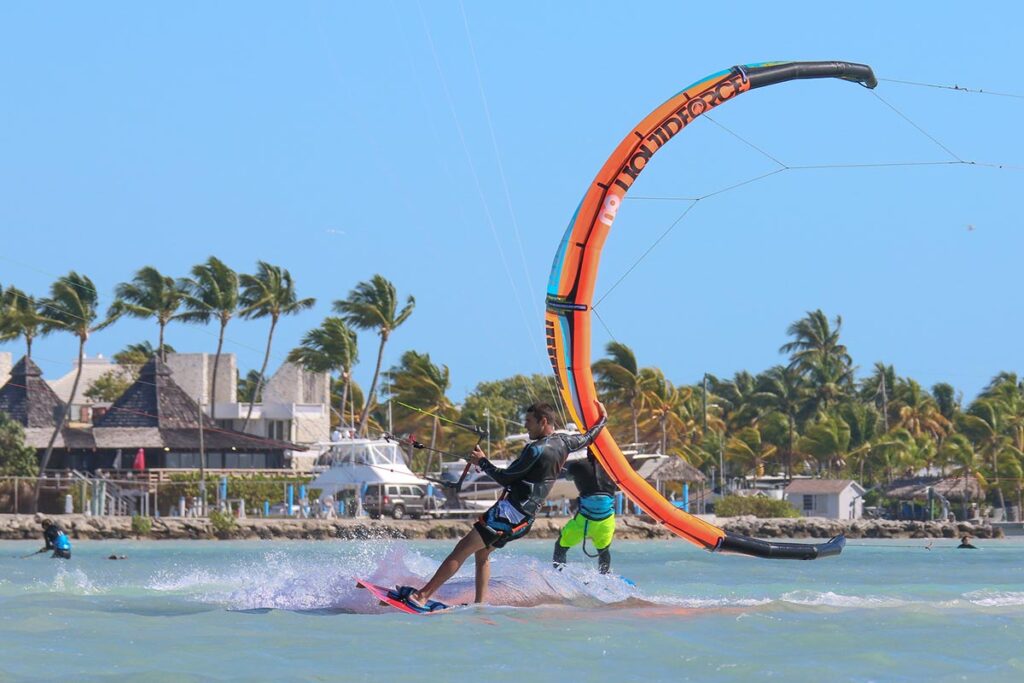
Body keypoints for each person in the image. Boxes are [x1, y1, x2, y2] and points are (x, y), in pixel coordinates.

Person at [395, 400, 608, 610]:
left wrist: (483, 462)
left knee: (461, 550)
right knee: (482, 554)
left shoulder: (535, 450)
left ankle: (422, 596)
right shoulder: (564, 442)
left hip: (508, 514)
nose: (525, 426)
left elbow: (505, 477)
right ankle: (480, 605)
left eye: (529, 421)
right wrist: (603, 420)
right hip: (525, 518)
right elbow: (589, 437)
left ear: (543, 421)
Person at [553, 450, 617, 574]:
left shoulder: (578, 465)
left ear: (588, 451)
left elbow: (568, 477)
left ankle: (558, 577)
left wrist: (573, 471)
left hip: (584, 520)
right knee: (603, 550)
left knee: (560, 546)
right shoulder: (613, 469)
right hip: (606, 521)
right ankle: (604, 578)